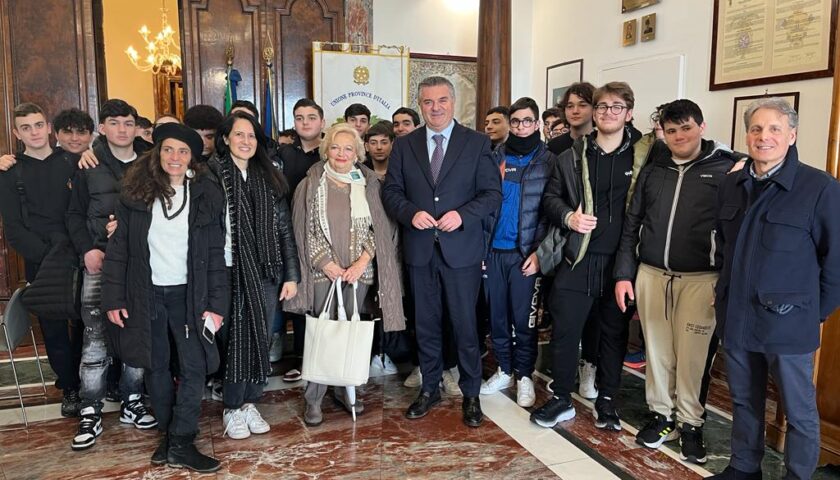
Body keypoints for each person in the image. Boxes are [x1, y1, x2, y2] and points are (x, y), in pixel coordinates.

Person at [709, 98, 840, 480]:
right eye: (756, 129)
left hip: (789, 323)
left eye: (774, 129)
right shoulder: (732, 184)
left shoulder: (819, 187)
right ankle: (743, 467)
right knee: (744, 400)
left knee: (798, 410)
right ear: (747, 135)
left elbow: (835, 263)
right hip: (737, 315)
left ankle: (797, 476)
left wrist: (812, 314)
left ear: (792, 135)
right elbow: (723, 246)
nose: (764, 137)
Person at [613, 99, 742, 464]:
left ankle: (691, 424)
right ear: (663, 134)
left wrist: (727, 284)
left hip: (702, 280)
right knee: (657, 351)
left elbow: (735, 234)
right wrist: (624, 274)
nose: (679, 136)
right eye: (671, 131)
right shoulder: (655, 170)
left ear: (701, 126)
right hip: (651, 275)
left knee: (693, 358)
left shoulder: (727, 169)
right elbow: (631, 225)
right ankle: (661, 415)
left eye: (686, 128)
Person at [101, 123, 228, 472]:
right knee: (155, 365)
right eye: (169, 149)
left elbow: (215, 255)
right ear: (158, 152)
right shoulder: (136, 194)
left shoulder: (205, 194)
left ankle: (181, 439)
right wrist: (113, 298)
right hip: (147, 294)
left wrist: (216, 306)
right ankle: (171, 437)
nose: (175, 157)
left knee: (195, 366)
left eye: (183, 151)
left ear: (192, 158)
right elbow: (120, 249)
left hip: (190, 295)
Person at [382, 75, 502, 428]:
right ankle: (429, 388)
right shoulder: (405, 145)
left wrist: (461, 216)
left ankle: (470, 394)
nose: (435, 108)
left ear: (453, 102)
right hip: (420, 251)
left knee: (465, 326)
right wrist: (410, 213)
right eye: (428, 102)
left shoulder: (477, 143)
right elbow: (392, 193)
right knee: (426, 325)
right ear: (420, 105)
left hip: (461, 251)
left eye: (442, 101)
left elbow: (492, 195)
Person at [531, 82, 651, 431]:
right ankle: (562, 398)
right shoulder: (572, 155)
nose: (608, 113)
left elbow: (690, 148)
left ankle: (607, 401)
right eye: (601, 107)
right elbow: (551, 199)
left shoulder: (643, 157)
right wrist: (569, 217)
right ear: (593, 113)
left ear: (629, 113)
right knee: (566, 331)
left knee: (613, 334)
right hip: (578, 258)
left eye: (616, 107)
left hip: (620, 264)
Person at [286, 123, 404, 426]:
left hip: (358, 274)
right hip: (324, 272)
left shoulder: (369, 184)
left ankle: (344, 388)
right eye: (335, 148)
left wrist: (363, 260)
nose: (341, 153)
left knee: (351, 335)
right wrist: (325, 262)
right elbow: (302, 228)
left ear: (357, 153)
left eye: (348, 148)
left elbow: (381, 227)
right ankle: (313, 397)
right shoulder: (311, 184)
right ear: (327, 150)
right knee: (323, 335)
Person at [66, 99, 157, 450]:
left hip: (140, 264)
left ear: (136, 127)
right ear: (102, 127)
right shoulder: (87, 164)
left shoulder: (151, 162)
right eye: (114, 122)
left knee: (135, 333)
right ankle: (90, 409)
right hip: (100, 261)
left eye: (128, 122)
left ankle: (132, 402)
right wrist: (86, 249)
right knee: (95, 338)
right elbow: (73, 216)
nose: (122, 129)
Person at [207, 110, 300, 440]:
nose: (245, 141)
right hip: (226, 270)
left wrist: (291, 275)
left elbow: (284, 231)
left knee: (260, 337)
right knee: (235, 340)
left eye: (251, 136)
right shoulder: (210, 174)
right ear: (226, 138)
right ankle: (232, 407)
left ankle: (250, 402)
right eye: (238, 135)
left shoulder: (269, 176)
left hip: (266, 270)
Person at [0, 102, 83, 417]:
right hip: (42, 259)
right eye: (26, 127)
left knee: (86, 323)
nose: (33, 132)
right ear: (16, 132)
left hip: (78, 254)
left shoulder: (75, 162)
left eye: (38, 125)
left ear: (49, 127)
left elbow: (87, 211)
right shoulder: (9, 173)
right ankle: (69, 387)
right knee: (53, 328)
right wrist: (49, 257)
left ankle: (88, 381)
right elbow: (14, 228)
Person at [479, 97, 555, 408]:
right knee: (497, 317)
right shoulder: (495, 156)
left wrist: (540, 254)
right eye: (516, 121)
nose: (521, 127)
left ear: (537, 124)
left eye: (527, 121)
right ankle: (505, 370)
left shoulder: (549, 161)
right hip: (494, 252)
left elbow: (553, 213)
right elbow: (483, 204)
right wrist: (481, 248)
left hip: (526, 254)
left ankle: (524, 375)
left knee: (524, 321)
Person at [277, 98, 327, 382]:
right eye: (299, 118)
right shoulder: (283, 154)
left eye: (311, 117)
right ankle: (300, 358)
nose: (305, 122)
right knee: (297, 294)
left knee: (322, 297)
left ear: (321, 121)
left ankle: (323, 357)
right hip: (290, 232)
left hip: (323, 234)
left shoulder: (329, 154)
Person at [547, 82, 595, 155]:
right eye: (570, 106)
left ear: (594, 108)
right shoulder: (553, 147)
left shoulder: (603, 143)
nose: (575, 111)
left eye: (582, 105)